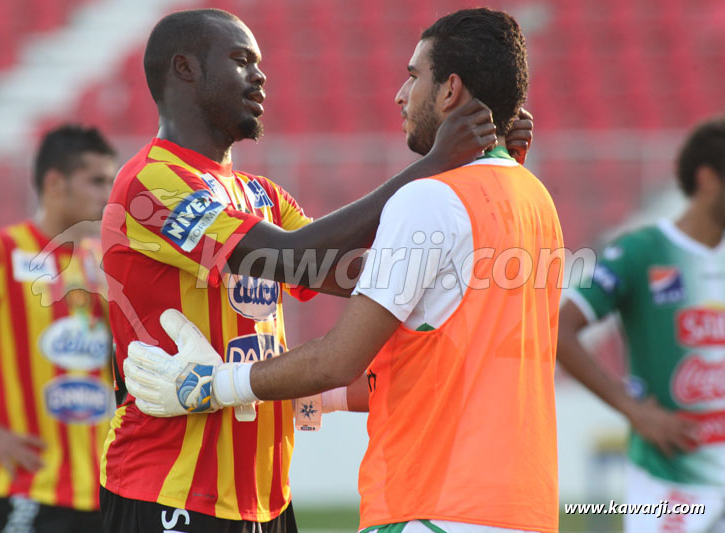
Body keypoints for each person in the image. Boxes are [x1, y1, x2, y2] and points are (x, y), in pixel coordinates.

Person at [124, 8, 563, 533]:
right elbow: (285, 258)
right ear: (185, 70)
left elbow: (371, 272)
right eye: (242, 61)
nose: (261, 76)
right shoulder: (152, 184)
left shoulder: (261, 196)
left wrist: (486, 176)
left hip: (265, 496)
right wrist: (435, 167)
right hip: (170, 485)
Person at [0, 124, 117, 532]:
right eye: (96, 180)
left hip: (104, 490)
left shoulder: (101, 264)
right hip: (26, 486)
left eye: (111, 182)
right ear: (55, 182)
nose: (108, 194)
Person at [557, 118, 725, 533]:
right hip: (670, 485)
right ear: (707, 179)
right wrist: (632, 408)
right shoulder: (643, 251)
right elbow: (558, 328)